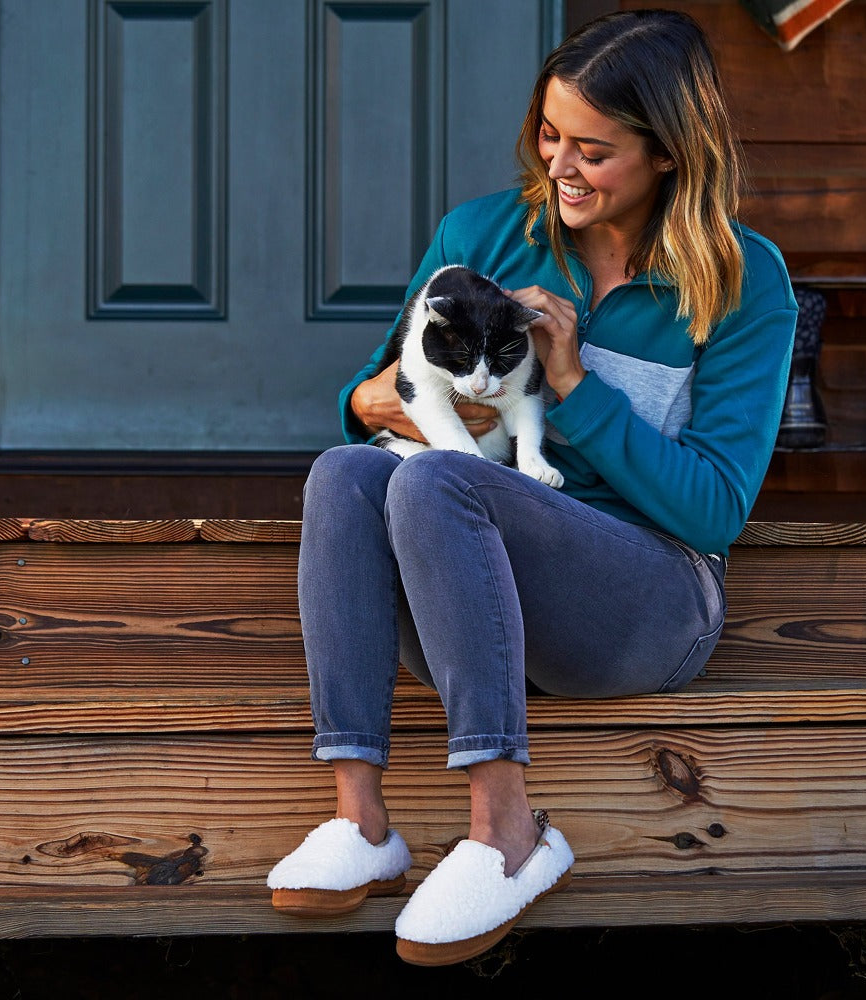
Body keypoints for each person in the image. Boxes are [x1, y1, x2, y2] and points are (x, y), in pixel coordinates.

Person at [267, 8, 797, 966]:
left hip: (650, 599)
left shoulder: (741, 278)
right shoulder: (482, 235)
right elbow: (373, 396)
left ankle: (509, 833)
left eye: (593, 150)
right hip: (471, 595)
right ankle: (361, 824)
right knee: (346, 472)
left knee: (437, 489)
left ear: (669, 152)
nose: (558, 168)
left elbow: (716, 508)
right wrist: (380, 398)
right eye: (549, 136)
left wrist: (573, 384)